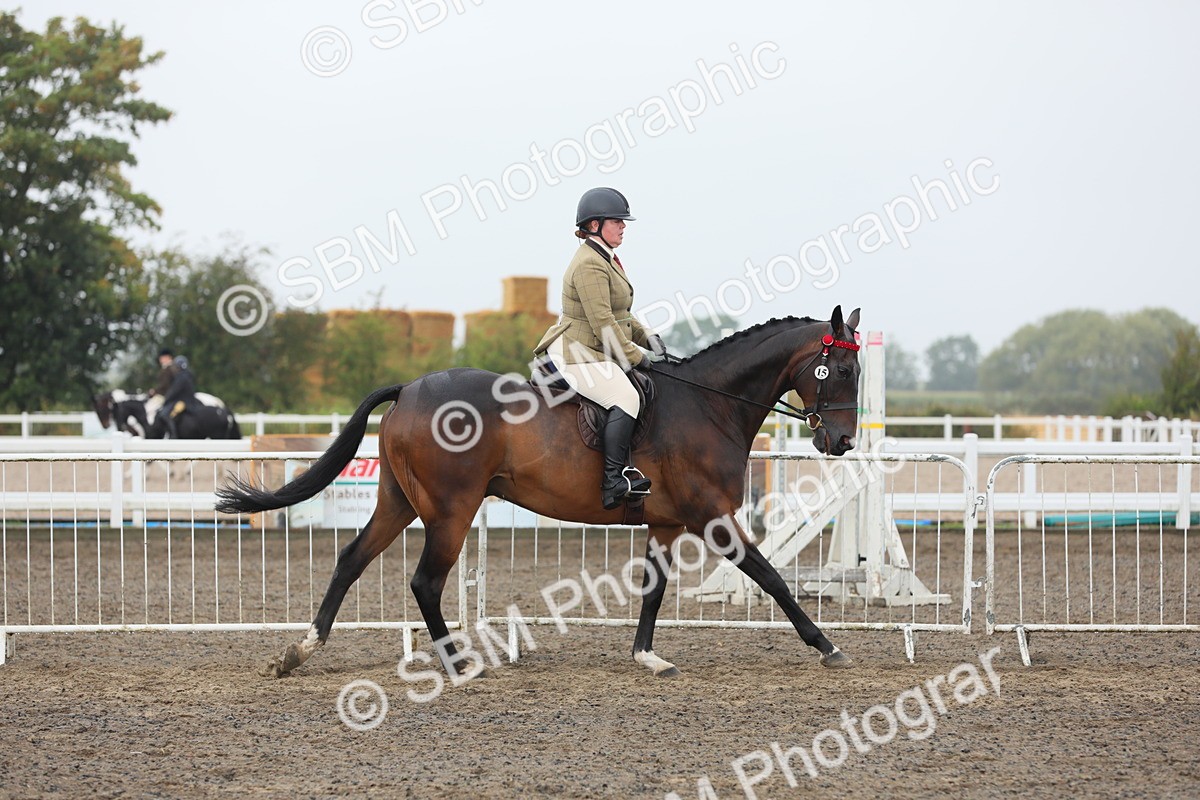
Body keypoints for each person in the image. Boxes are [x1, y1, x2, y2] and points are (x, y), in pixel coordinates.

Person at [533, 187, 669, 509]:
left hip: (595, 349)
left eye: (624, 222)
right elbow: (603, 323)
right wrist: (638, 357)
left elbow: (621, 316)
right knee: (626, 396)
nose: (624, 227)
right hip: (576, 353)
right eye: (617, 221)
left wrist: (647, 337)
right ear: (595, 225)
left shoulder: (605, 258)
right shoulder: (589, 265)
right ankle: (612, 481)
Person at [154, 352, 198, 438]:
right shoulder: (187, 375)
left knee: (166, 414)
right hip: (187, 400)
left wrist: (166, 400)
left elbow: (174, 391)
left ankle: (173, 435)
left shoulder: (181, 377)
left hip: (183, 402)